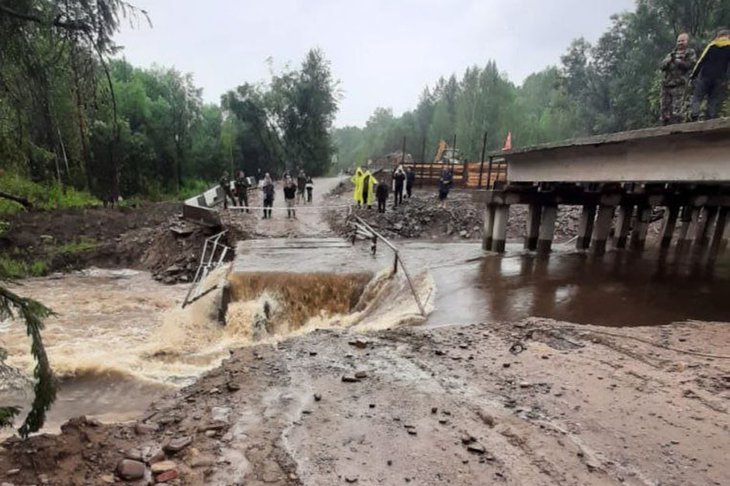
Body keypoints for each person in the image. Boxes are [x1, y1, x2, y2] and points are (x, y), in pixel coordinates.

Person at [689, 29, 730, 121]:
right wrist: (727, 79)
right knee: (713, 98)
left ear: (718, 36)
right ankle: (710, 117)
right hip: (720, 77)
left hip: (705, 75)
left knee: (698, 96)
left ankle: (695, 113)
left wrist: (693, 75)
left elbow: (701, 61)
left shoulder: (711, 46)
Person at [660, 33, 697, 125]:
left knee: (677, 109)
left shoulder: (690, 52)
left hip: (679, 84)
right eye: (679, 41)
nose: (680, 43)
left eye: (682, 41)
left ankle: (676, 126)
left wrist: (677, 61)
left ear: (687, 41)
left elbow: (690, 65)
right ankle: (664, 125)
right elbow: (662, 66)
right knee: (664, 108)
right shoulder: (671, 54)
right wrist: (668, 61)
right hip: (667, 84)